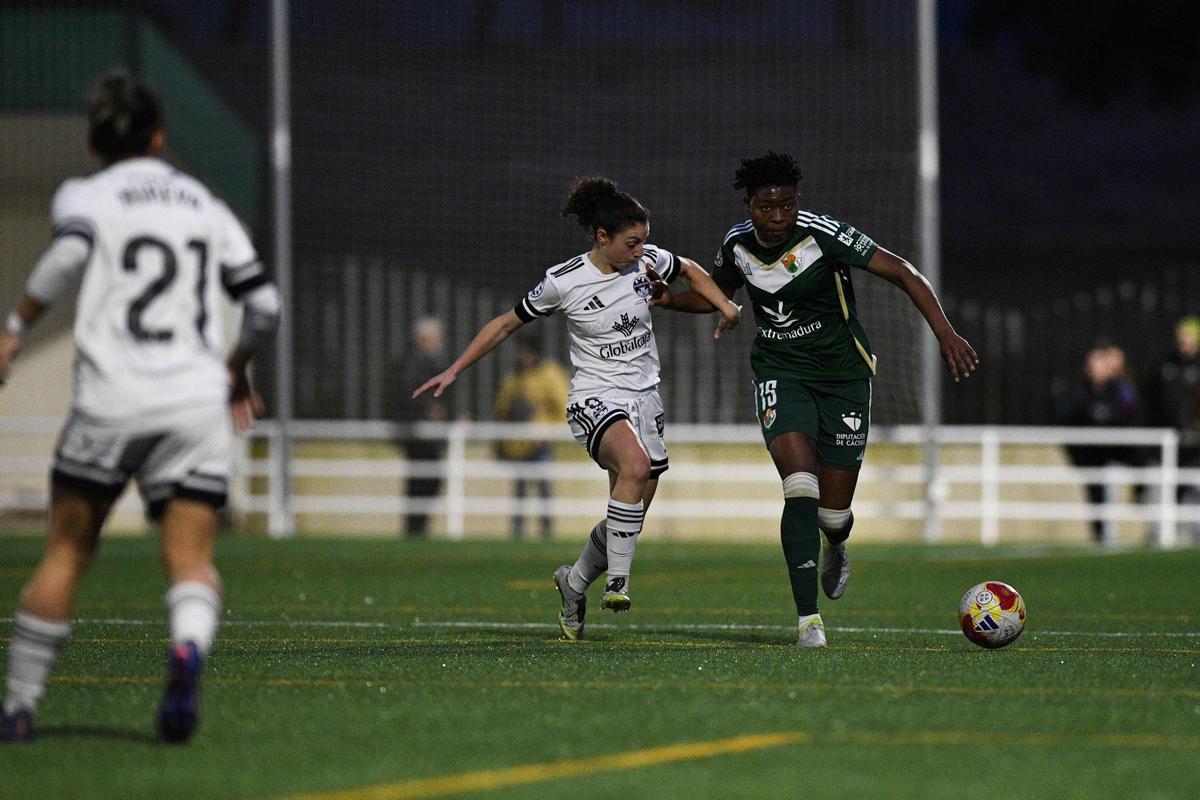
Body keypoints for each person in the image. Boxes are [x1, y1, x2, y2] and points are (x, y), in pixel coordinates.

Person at [0, 70, 280, 743]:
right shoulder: (203, 204)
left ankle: (19, 706)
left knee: (66, 551)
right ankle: (186, 651)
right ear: (159, 137)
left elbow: (65, 260)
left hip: (111, 397)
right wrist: (236, 371)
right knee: (190, 560)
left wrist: (14, 328)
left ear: (96, 141)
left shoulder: (88, 195)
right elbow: (264, 305)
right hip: (193, 400)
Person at [650, 151, 977, 648]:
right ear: (748, 205)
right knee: (800, 485)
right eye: (766, 206)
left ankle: (837, 542)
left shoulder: (824, 234)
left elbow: (905, 272)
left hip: (844, 375)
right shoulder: (736, 244)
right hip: (780, 373)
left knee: (831, 513)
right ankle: (809, 620)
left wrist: (946, 334)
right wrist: (670, 299)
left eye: (787, 204)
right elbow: (717, 294)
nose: (778, 216)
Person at [414, 176, 741, 639]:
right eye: (632, 242)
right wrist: (454, 368)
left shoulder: (646, 260)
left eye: (644, 241)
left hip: (646, 399)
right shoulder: (563, 281)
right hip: (594, 398)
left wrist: (724, 305)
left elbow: (687, 267)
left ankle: (573, 582)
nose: (641, 251)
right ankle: (619, 583)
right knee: (635, 465)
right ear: (602, 237)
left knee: (628, 516)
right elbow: (507, 324)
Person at [1059, 341, 1144, 543]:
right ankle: (1100, 537)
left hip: (1114, 456)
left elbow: (1132, 417)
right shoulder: (1079, 392)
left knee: (1110, 494)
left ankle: (1109, 537)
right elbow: (1068, 421)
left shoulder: (1121, 391)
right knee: (1095, 498)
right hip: (1089, 458)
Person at [493, 335, 570, 539]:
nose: (521, 356)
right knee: (519, 491)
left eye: (524, 351)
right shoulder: (514, 379)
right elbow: (501, 410)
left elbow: (564, 408)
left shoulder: (550, 375)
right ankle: (518, 533)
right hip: (518, 445)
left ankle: (546, 532)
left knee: (544, 488)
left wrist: (549, 432)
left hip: (541, 444)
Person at [391, 317, 450, 538]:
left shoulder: (426, 361)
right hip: (416, 433)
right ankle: (415, 527)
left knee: (426, 478)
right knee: (422, 479)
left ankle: (417, 527)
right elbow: (408, 392)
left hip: (424, 433)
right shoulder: (412, 362)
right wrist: (428, 410)